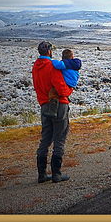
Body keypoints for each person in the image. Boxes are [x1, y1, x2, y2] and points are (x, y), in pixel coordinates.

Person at [32, 41, 74, 183]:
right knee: (59, 138)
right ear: (49, 51)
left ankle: (42, 174)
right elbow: (61, 89)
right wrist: (69, 91)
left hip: (44, 106)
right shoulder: (52, 66)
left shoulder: (35, 67)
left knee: (45, 139)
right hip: (59, 105)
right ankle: (56, 174)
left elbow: (37, 87)